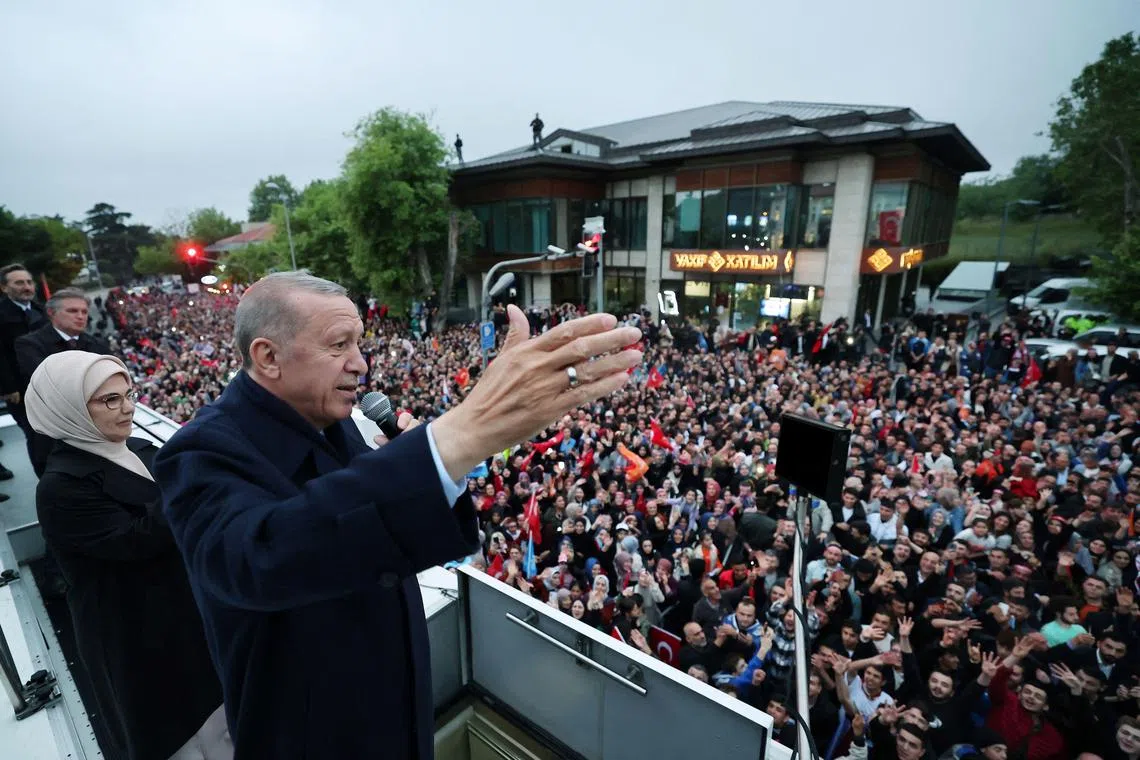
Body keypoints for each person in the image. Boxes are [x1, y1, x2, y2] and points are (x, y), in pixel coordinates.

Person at [154, 272, 641, 760]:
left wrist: (418, 461)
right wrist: (457, 437)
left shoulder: (335, 423)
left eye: (359, 344)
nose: (360, 365)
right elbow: (260, 556)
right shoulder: (199, 452)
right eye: (339, 345)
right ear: (268, 357)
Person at [25, 351, 226, 760]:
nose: (129, 408)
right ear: (67, 409)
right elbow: (135, 541)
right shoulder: (61, 487)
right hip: (139, 637)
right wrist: (194, 478)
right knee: (184, 738)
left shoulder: (137, 447)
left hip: (188, 615)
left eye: (128, 393)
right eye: (109, 400)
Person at [16, 287, 112, 476]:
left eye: (84, 311)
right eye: (72, 311)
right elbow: (48, 384)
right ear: (51, 313)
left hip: (95, 432)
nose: (81, 316)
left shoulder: (97, 344)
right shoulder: (29, 344)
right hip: (53, 435)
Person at [0, 263, 45, 484]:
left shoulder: (40, 311)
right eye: (19, 282)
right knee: (35, 437)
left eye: (28, 282)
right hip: (19, 389)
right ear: (4, 288)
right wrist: (8, 387)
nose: (26, 287)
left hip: (46, 386)